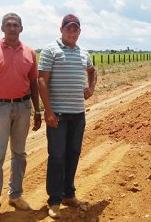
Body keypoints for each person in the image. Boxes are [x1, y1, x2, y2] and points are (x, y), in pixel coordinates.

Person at [0, 12, 42, 222]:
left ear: (21, 29)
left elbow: (33, 83)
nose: (12, 28)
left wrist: (37, 111)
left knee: (19, 154)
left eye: (16, 25)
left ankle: (15, 195)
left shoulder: (30, 52)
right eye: (9, 24)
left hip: (23, 107)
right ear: (2, 28)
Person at [38, 14, 97, 219]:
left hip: (78, 113)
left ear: (79, 32)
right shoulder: (50, 50)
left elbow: (92, 70)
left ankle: (68, 194)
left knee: (73, 152)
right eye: (68, 28)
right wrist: (48, 110)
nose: (72, 32)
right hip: (58, 114)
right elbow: (42, 81)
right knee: (56, 156)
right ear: (61, 29)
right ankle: (54, 200)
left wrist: (91, 88)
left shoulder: (83, 52)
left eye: (75, 29)